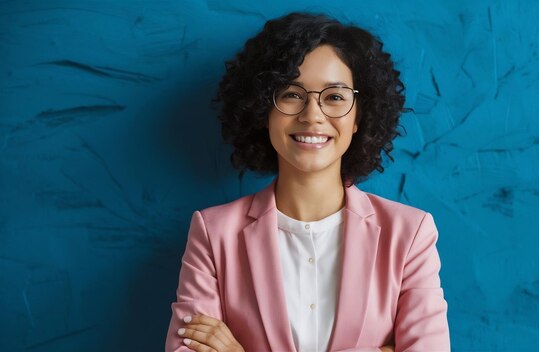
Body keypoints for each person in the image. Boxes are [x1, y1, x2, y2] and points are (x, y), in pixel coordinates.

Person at [166, 12, 450, 352]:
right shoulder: (213, 233)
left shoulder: (410, 234)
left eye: (334, 97)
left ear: (360, 114)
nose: (312, 115)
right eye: (291, 94)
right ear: (263, 110)